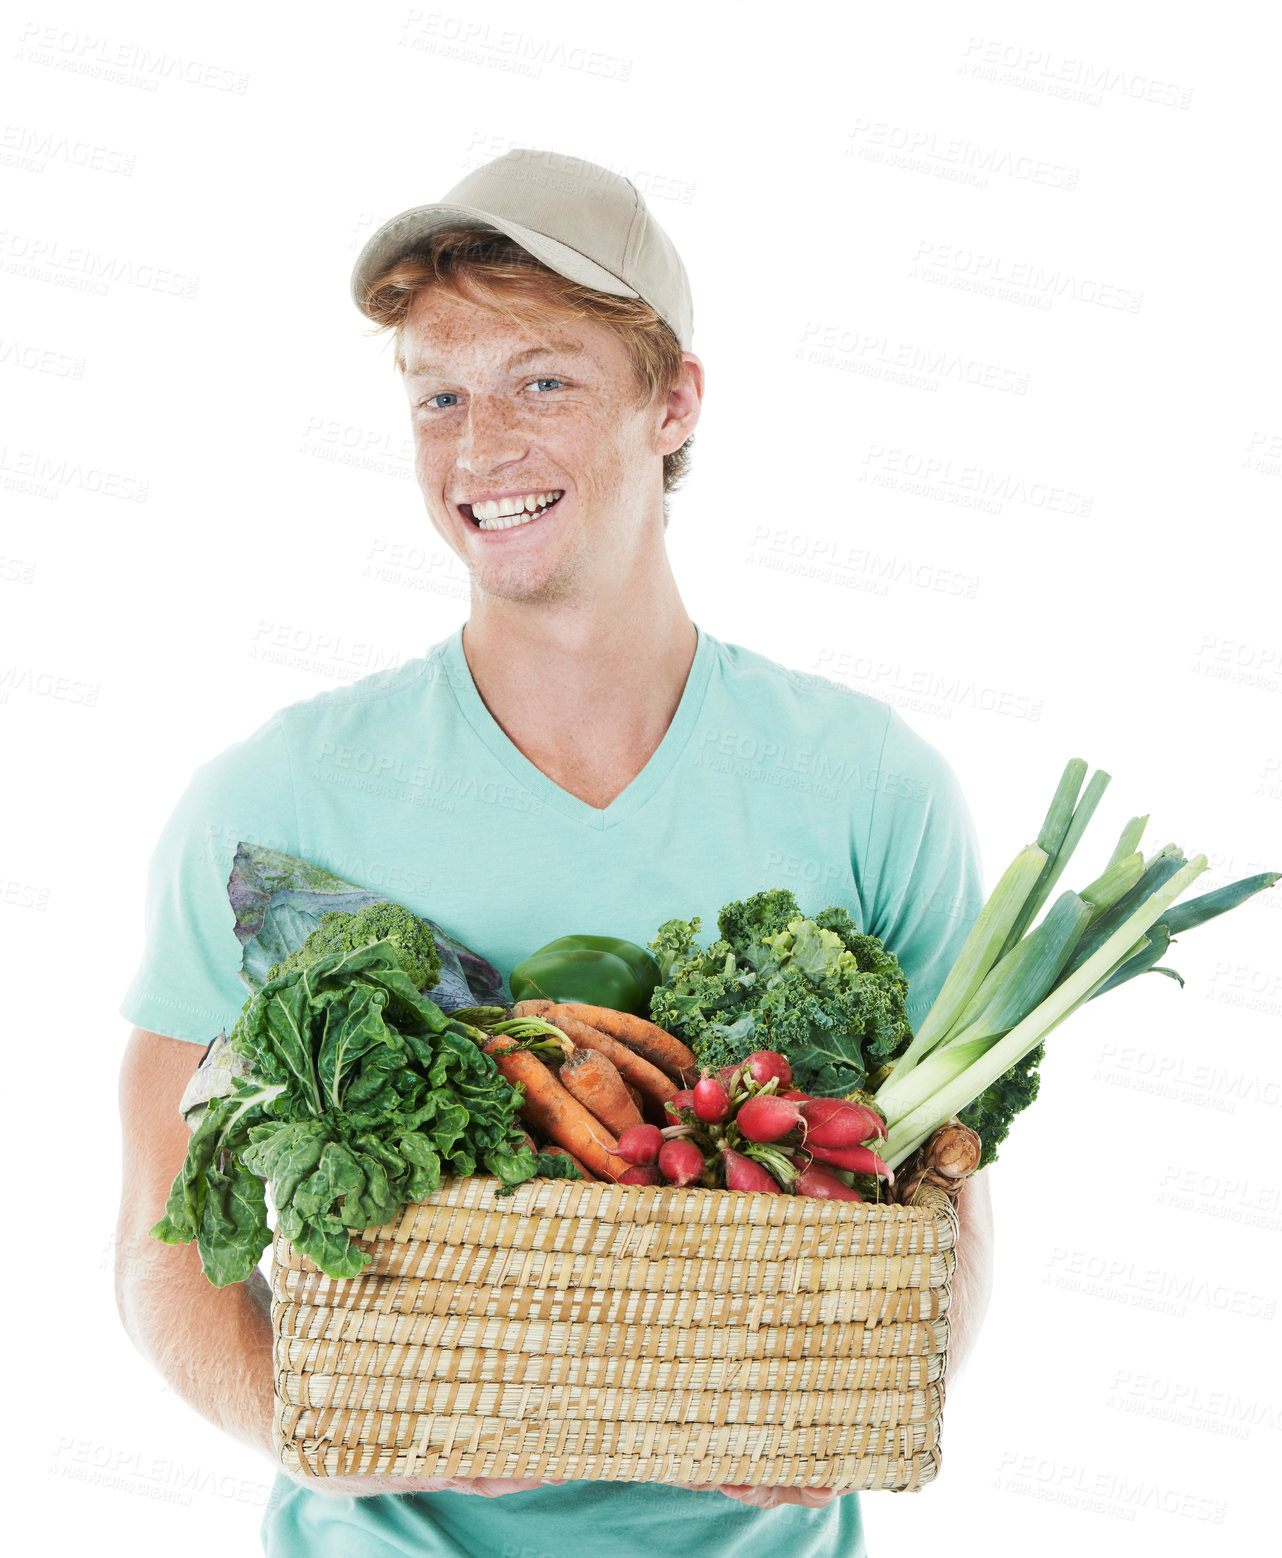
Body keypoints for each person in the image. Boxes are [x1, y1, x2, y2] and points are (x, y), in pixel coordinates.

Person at [115, 147, 994, 1557]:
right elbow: (160, 1236)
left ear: (672, 400)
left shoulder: (865, 786)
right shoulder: (270, 806)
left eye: (542, 381)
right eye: (438, 396)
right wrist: (333, 1428)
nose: (479, 451)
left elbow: (945, 1206)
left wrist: (847, 1411)